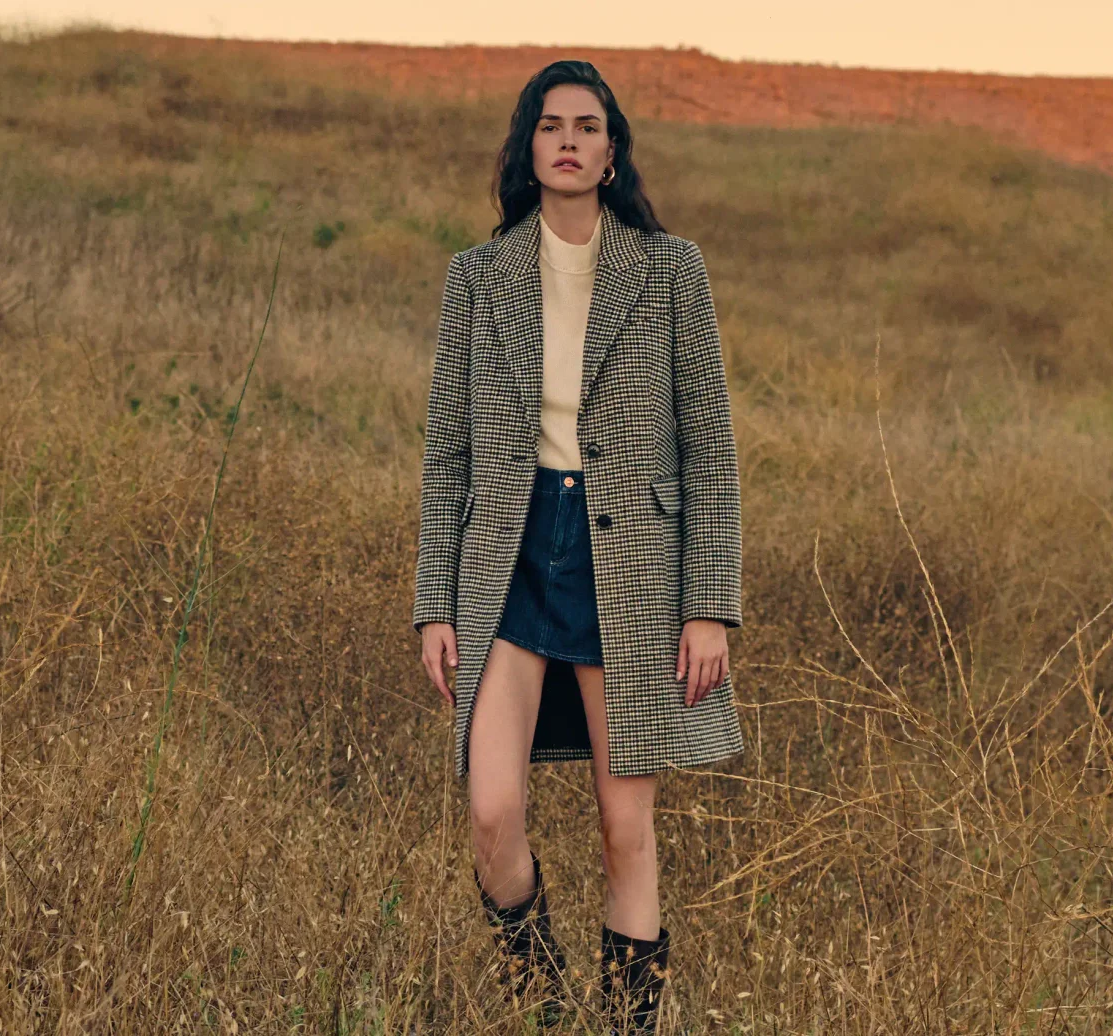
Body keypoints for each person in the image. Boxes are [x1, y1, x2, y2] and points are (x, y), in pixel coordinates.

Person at [410, 59, 746, 1033]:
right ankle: (544, 1004)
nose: (566, 139)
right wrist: (434, 600)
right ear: (526, 148)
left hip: (628, 570)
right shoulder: (476, 279)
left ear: (610, 153)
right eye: (548, 125)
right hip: (507, 559)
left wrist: (707, 604)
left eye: (585, 126)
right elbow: (449, 455)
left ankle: (629, 1026)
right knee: (489, 811)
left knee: (621, 827)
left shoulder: (668, 269)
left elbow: (710, 447)